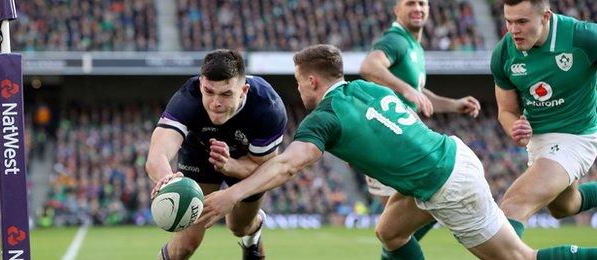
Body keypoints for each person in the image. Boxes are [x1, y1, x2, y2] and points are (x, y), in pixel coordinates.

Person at [198, 44, 597, 259]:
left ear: (313, 81)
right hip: (448, 157)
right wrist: (452, 106)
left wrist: (232, 193)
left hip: (447, 184)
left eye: (301, 84)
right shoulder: (366, 89)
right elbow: (406, 113)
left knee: (519, 259)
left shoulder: (324, 118)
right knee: (389, 232)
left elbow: (287, 165)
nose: (300, 92)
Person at [146, 49, 287, 260]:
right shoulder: (188, 96)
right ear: (201, 83)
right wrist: (167, 179)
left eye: (226, 94)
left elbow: (264, 166)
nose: (215, 102)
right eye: (209, 91)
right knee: (184, 245)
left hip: (247, 163)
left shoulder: (268, 107)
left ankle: (253, 232)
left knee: (239, 226)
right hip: (199, 156)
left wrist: (230, 165)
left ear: (244, 90)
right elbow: (158, 153)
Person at [358, 0, 480, 240]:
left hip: (397, 138)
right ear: (396, 10)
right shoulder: (396, 40)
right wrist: (406, 90)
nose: (418, 8)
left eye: (422, 3)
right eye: (410, 3)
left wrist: (454, 105)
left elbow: (419, 93)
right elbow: (369, 66)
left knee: (401, 228)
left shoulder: (414, 46)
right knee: (405, 222)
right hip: (386, 138)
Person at [491, 0, 597, 239]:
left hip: (575, 137)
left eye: (522, 22)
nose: (513, 30)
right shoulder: (504, 53)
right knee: (564, 207)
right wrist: (514, 127)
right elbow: (506, 110)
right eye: (508, 21)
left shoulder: (583, 38)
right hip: (538, 141)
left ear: (545, 17)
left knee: (513, 205)